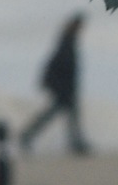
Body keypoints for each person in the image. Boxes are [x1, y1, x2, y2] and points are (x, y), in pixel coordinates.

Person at [21, 13, 90, 154]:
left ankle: (75, 143)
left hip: (64, 87)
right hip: (63, 87)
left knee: (63, 115)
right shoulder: (67, 41)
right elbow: (62, 65)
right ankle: (26, 136)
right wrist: (63, 87)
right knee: (57, 115)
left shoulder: (68, 40)